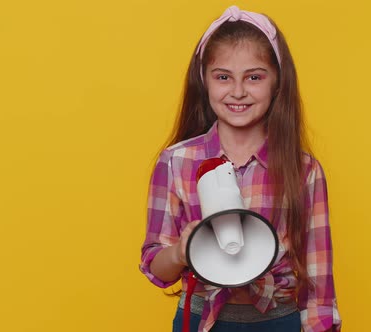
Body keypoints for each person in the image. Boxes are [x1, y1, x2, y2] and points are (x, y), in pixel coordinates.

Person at [140, 5, 341, 332]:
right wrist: (182, 250)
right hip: (201, 319)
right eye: (223, 77)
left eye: (254, 77)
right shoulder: (175, 162)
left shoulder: (304, 170)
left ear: (277, 82)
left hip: (279, 320)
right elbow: (156, 267)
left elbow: (319, 283)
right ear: (204, 80)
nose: (237, 91)